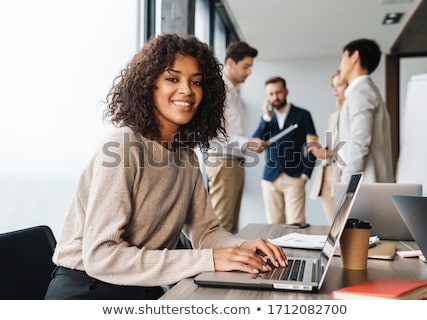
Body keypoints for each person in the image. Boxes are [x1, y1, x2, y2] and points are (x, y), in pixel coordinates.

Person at [44, 34, 287, 300]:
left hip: (144, 286)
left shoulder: (186, 156)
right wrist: (209, 260)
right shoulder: (123, 146)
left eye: (196, 82)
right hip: (89, 290)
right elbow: (102, 256)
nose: (187, 90)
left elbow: (206, 231)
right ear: (150, 85)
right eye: (173, 79)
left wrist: (241, 247)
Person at [205, 41, 267, 233]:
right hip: (224, 162)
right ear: (230, 63)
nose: (249, 72)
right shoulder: (221, 90)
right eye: (246, 66)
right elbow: (213, 135)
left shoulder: (233, 91)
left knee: (229, 225)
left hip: (233, 161)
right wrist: (247, 142)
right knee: (222, 227)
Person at [252, 76, 317, 226]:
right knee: (274, 227)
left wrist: (305, 175)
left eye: (279, 92)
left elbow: (313, 147)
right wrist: (266, 117)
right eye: (271, 94)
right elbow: (254, 143)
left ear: (286, 92)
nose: (275, 97)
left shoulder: (303, 115)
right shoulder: (267, 119)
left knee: (296, 225)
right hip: (270, 179)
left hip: (295, 178)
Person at [337, 38, 394, 183]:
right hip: (366, 182)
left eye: (343, 58)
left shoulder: (361, 92)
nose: (340, 65)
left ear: (355, 57)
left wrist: (347, 181)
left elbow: (360, 141)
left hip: (364, 184)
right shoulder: (365, 91)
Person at [309, 70, 348, 223]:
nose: (335, 90)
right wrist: (322, 151)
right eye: (333, 86)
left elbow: (352, 147)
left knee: (343, 225)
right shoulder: (334, 115)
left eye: (339, 85)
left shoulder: (351, 114)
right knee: (333, 226)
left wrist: (329, 153)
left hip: (341, 175)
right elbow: (333, 145)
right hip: (327, 176)